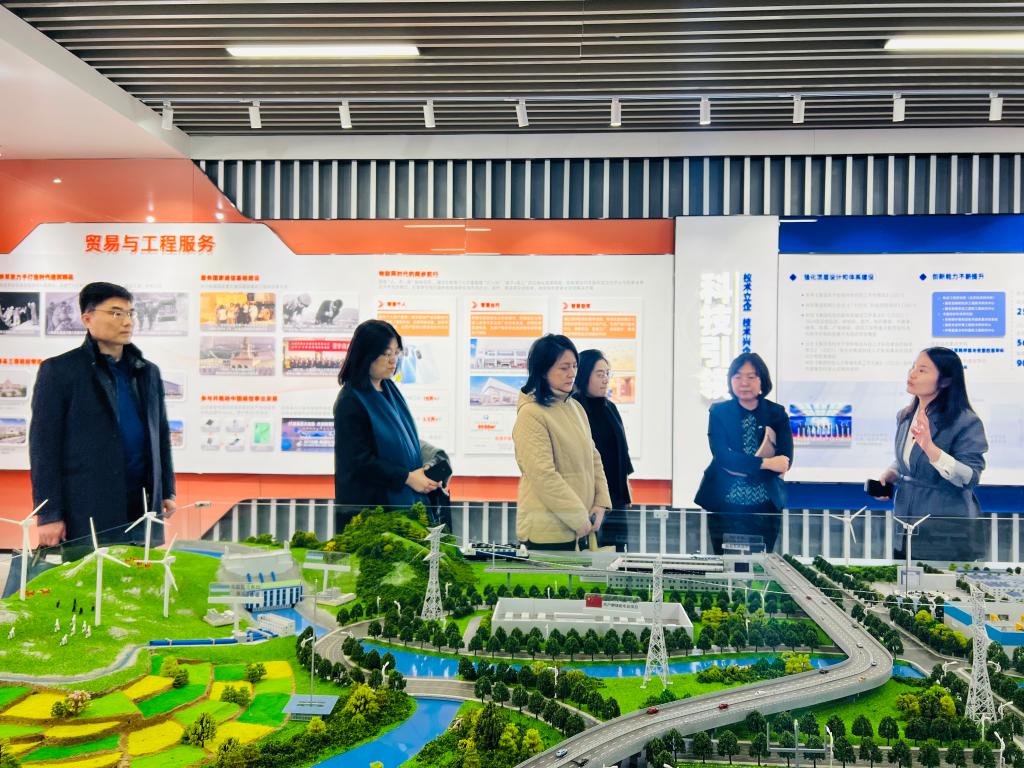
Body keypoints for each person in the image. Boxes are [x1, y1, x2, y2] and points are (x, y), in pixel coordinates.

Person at [29, 282, 176, 547]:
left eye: (130, 313)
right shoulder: (60, 371)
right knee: (92, 574)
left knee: (144, 573)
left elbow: (161, 435)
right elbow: (44, 448)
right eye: (116, 313)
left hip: (142, 504)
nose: (127, 321)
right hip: (88, 505)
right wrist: (49, 514)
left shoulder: (148, 372)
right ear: (87, 319)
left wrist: (166, 490)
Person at [878, 347, 988, 562]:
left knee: (938, 581)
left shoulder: (966, 421)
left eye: (922, 370)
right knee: (905, 579)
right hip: (905, 523)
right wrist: (893, 472)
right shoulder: (905, 416)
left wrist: (931, 449)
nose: (912, 374)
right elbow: (910, 460)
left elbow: (970, 477)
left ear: (945, 381)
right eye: (913, 367)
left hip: (946, 528)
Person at [333, 319, 440, 528]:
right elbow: (359, 460)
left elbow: (403, 441)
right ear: (366, 354)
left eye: (396, 353)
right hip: (370, 506)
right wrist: (407, 478)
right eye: (386, 354)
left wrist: (424, 471)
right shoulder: (351, 400)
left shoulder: (389, 388)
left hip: (401, 498)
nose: (393, 361)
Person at [513, 334, 611, 550]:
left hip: (580, 526)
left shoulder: (575, 407)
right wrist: (577, 517)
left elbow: (594, 458)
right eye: (564, 367)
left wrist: (601, 501)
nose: (572, 373)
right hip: (548, 532)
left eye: (574, 366)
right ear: (543, 370)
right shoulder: (531, 414)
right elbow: (543, 474)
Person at [695, 352, 792, 555]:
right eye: (737, 376)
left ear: (762, 380)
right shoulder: (719, 412)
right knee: (726, 564)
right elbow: (723, 458)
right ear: (730, 380)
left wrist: (740, 464)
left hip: (765, 506)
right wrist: (766, 463)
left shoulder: (776, 413)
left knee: (760, 564)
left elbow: (784, 462)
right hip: (725, 505)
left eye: (751, 376)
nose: (744, 382)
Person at [572, 349, 633, 549]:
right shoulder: (574, 408)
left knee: (617, 551)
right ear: (583, 375)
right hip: (588, 497)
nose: (605, 379)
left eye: (607, 373)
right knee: (590, 554)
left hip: (615, 496)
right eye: (600, 374)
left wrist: (625, 488)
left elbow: (621, 449)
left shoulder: (610, 407)